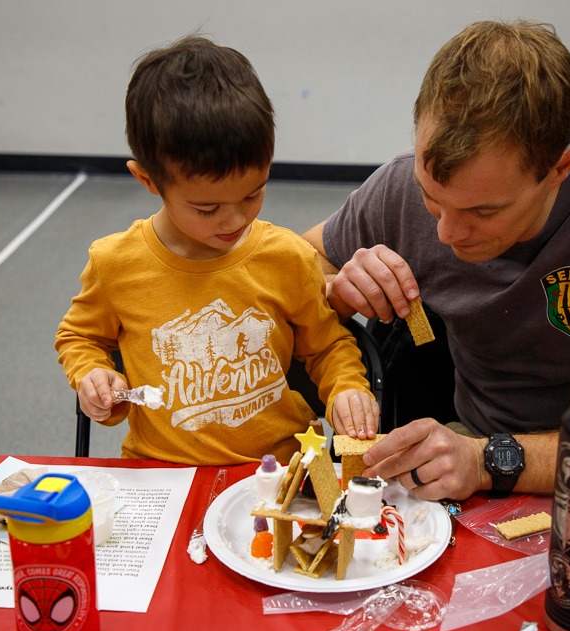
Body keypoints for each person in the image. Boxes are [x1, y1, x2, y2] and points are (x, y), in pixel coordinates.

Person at [304, 20, 570, 500]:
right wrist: (334, 289)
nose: (446, 233)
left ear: (560, 169)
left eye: (483, 211)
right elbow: (290, 264)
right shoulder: (398, 190)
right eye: (432, 198)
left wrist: (492, 459)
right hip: (471, 450)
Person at [56, 35, 379, 467]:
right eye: (207, 208)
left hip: (279, 469)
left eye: (253, 194)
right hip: (161, 472)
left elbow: (326, 346)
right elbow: (79, 337)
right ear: (148, 180)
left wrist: (346, 387)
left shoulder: (286, 257)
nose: (234, 221)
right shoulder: (116, 264)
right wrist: (93, 376)